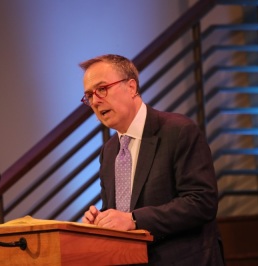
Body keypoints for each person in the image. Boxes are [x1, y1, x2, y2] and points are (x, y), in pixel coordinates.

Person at [80, 54, 225, 265]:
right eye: (89, 95)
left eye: (102, 89)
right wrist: (101, 220)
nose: (95, 101)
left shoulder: (179, 131)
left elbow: (201, 202)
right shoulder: (109, 151)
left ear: (131, 87)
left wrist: (133, 220)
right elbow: (123, 209)